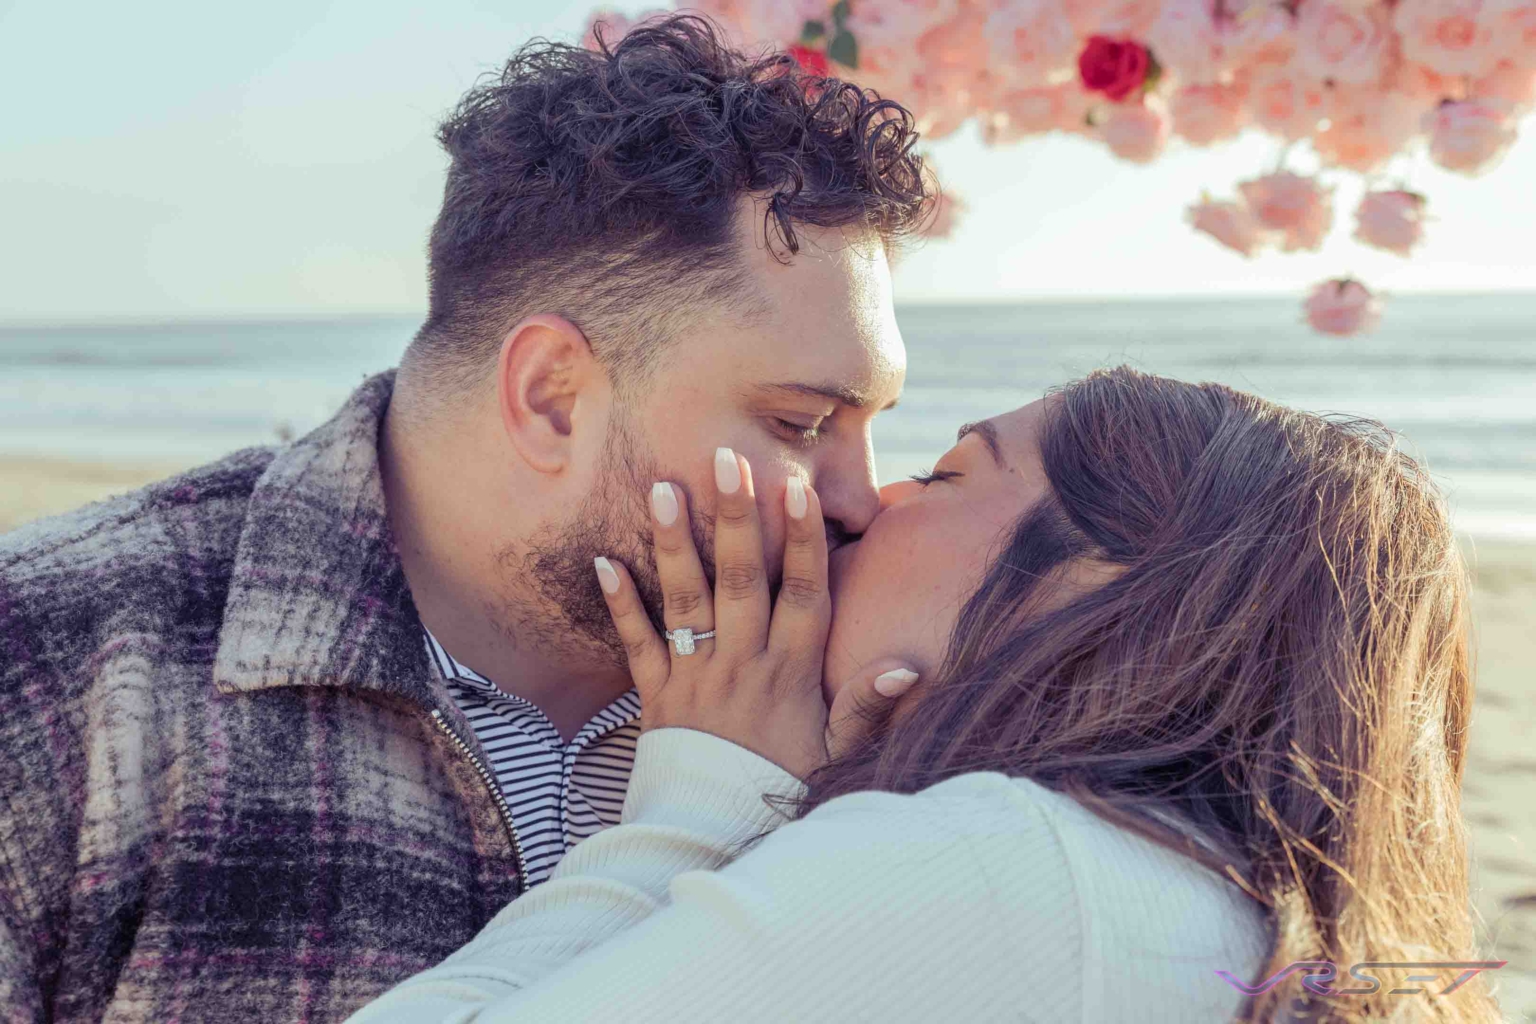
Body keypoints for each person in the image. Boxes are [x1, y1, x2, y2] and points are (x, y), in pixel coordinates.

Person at [0, 18, 930, 1023]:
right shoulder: (58, 663)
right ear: (551, 399)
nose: (860, 498)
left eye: (876, 426)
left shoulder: (860, 708)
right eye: (801, 422)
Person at [351, 368, 1502, 1024]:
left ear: (1096, 586)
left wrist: (702, 797)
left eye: (950, 473)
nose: (866, 499)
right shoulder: (1206, 903)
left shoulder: (1006, 867)